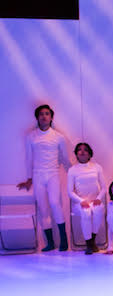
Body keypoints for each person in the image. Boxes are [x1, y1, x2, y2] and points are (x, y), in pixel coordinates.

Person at [17, 104, 71, 252]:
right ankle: (50, 243)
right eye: (41, 114)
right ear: (37, 117)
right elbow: (28, 158)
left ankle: (64, 240)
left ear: (51, 117)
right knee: (43, 208)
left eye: (47, 114)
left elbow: (65, 158)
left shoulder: (59, 137)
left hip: (53, 173)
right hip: (37, 175)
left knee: (55, 203)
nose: (44, 116)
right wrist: (29, 178)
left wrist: (74, 173)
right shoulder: (31, 136)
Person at [67, 142, 106, 254]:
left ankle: (92, 241)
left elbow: (104, 187)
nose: (82, 151)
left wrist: (98, 198)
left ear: (89, 154)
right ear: (76, 154)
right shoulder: (72, 170)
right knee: (86, 212)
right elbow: (70, 192)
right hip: (80, 203)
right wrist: (81, 201)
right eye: (79, 150)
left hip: (95, 201)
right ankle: (89, 244)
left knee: (98, 210)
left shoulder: (97, 167)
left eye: (85, 150)